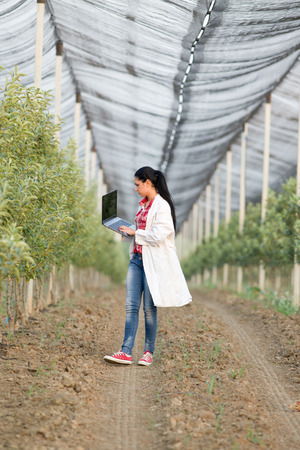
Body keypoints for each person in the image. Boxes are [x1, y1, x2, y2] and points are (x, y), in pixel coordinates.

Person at [104, 166, 192, 366]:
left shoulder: (162, 207)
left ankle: (147, 353)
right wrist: (128, 231)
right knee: (131, 306)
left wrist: (136, 233)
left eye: (137, 185)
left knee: (149, 309)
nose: (135, 188)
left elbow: (159, 235)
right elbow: (145, 231)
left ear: (148, 183)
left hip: (153, 263)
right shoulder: (142, 206)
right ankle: (125, 351)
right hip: (136, 260)